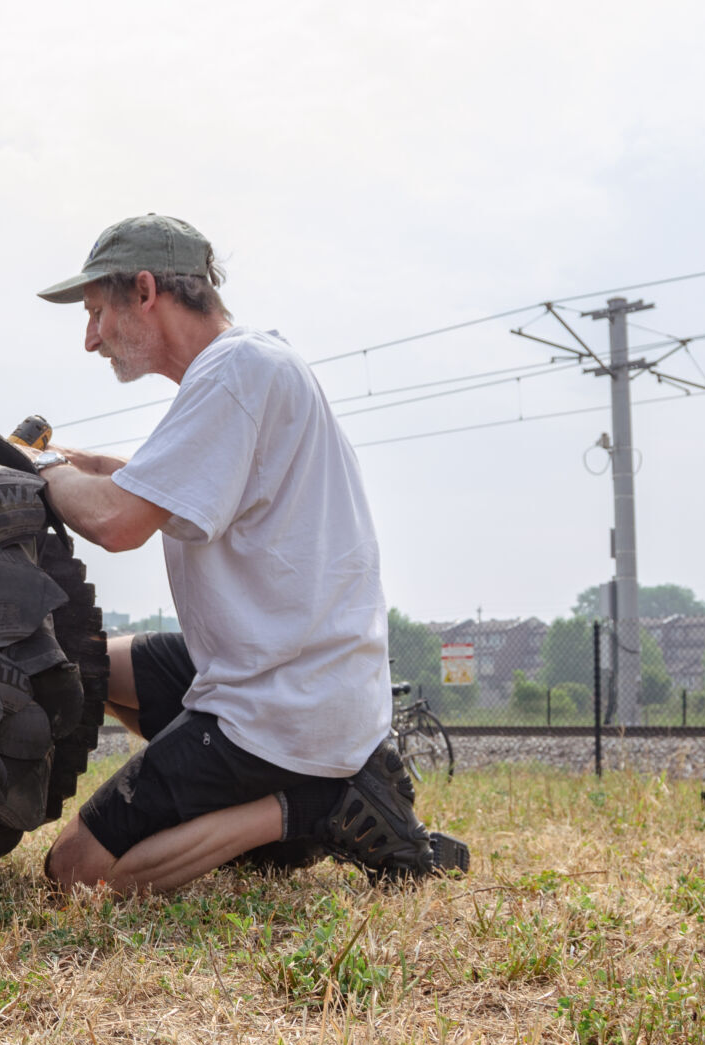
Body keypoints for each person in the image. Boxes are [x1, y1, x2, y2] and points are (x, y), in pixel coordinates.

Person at [26, 213, 468, 894]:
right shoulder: (246, 366)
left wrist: (42, 471)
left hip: (282, 704)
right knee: (90, 660)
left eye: (95, 312)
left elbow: (118, 522)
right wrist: (67, 459)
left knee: (77, 874)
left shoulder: (234, 375)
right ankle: (280, 791)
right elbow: (154, 482)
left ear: (145, 291)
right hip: (285, 668)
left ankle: (313, 805)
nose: (91, 339)